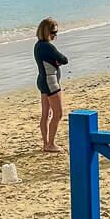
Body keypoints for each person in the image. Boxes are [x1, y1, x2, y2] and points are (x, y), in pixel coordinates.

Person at [34, 18, 68, 153]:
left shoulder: (37, 45)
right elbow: (64, 59)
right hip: (50, 81)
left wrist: (55, 61)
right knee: (58, 114)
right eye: (54, 32)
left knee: (45, 114)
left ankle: (46, 143)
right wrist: (57, 61)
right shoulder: (48, 46)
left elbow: (55, 60)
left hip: (42, 80)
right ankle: (50, 144)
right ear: (47, 32)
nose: (55, 35)